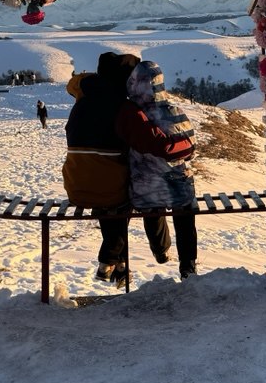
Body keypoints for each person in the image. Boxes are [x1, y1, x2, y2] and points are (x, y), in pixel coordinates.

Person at [62, 52, 193, 288]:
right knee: (126, 194)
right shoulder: (123, 108)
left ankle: (114, 263)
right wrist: (187, 146)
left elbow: (72, 84)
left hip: (74, 182)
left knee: (111, 190)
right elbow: (157, 145)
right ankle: (115, 258)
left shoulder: (84, 93)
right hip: (107, 189)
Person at [126, 61, 198, 279]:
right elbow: (190, 147)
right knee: (185, 213)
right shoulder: (173, 111)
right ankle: (188, 263)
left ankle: (160, 249)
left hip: (144, 187)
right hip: (176, 185)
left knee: (152, 207)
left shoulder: (133, 115)